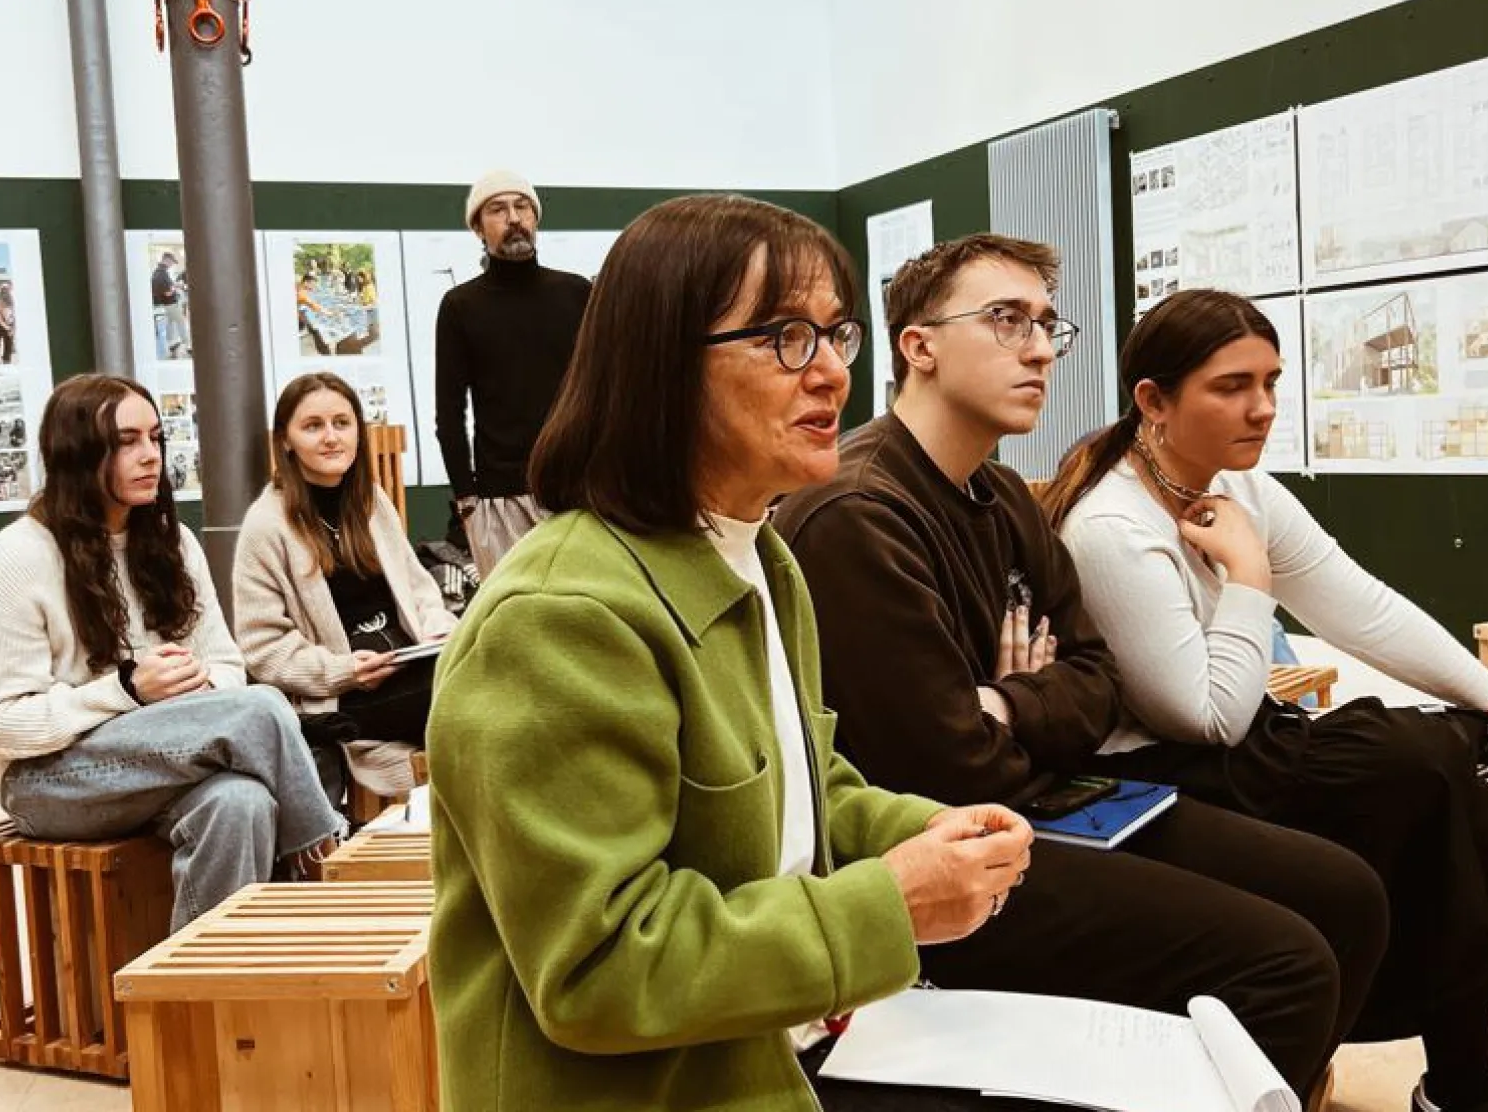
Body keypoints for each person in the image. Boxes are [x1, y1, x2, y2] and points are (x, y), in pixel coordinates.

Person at [428, 194, 1034, 1112]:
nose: (830, 372)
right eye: (786, 337)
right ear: (662, 365)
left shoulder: (759, 555)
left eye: (837, 335)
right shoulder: (561, 616)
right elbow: (598, 968)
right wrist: (891, 905)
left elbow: (801, 788)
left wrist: (919, 834)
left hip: (770, 1042)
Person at [773, 234, 1390, 1103]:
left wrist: (1005, 699)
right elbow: (947, 767)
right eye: (1004, 319)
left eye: (1044, 325)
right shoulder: (856, 514)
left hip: (1059, 794)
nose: (1036, 348)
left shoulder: (999, 493)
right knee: (1286, 962)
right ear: (918, 346)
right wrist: (1030, 701)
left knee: (1346, 892)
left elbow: (1096, 681)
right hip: (955, 847)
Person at [1045, 288, 1488, 1112]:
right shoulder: (1109, 527)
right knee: (1410, 764)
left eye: (1271, 382)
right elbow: (1205, 718)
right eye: (1232, 386)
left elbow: (1359, 605)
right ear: (1153, 401)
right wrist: (1251, 578)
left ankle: (1459, 1085)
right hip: (1162, 772)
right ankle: (1451, 1079)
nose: (1263, 407)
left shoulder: (1244, 491)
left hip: (1246, 743)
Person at [0, 374, 345, 931]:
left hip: (165, 760)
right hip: (47, 781)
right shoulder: (16, 560)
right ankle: (329, 861)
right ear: (78, 453)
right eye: (126, 442)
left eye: (156, 438)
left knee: (241, 804)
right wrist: (124, 690)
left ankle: (200, 1007)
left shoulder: (172, 542)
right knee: (262, 709)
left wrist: (191, 690)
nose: (150, 456)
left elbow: (228, 668)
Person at [234, 372, 458, 809]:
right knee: (471, 688)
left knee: (480, 665)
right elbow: (260, 647)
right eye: (313, 426)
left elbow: (420, 591)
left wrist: (437, 632)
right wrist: (342, 670)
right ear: (286, 441)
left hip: (408, 666)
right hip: (342, 696)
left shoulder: (371, 502)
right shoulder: (265, 525)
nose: (331, 437)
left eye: (342, 422)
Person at [433, 169, 590, 578]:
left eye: (522, 207)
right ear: (479, 228)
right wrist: (465, 498)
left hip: (577, 489)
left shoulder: (576, 294)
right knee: (517, 619)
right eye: (498, 209)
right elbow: (449, 411)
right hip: (499, 499)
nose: (514, 218)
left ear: (536, 219)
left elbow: (601, 387)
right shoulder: (460, 306)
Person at [150, 251, 189, 359]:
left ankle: (172, 343)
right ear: (167, 260)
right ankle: (188, 344)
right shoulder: (161, 274)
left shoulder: (161, 272)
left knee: (171, 323)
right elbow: (167, 292)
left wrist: (175, 285)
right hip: (168, 304)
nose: (172, 265)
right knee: (180, 321)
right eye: (172, 262)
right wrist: (176, 288)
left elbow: (168, 286)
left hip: (167, 304)